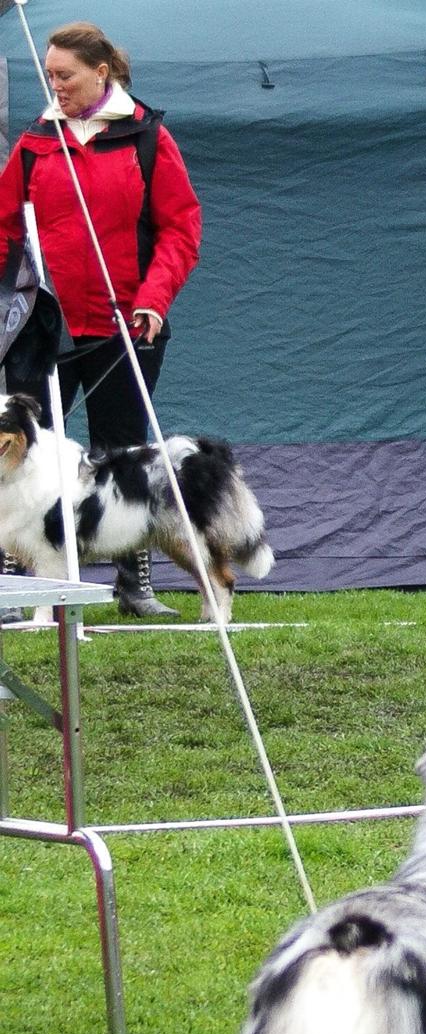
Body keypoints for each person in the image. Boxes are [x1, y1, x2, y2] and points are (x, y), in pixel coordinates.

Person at [0, 20, 202, 618]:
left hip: (126, 326)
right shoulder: (36, 142)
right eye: (49, 75)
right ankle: (15, 575)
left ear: (101, 72)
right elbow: (4, 226)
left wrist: (154, 298)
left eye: (65, 75)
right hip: (45, 328)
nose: (55, 85)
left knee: (122, 453)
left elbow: (181, 228)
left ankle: (132, 582)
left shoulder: (146, 137)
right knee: (26, 451)